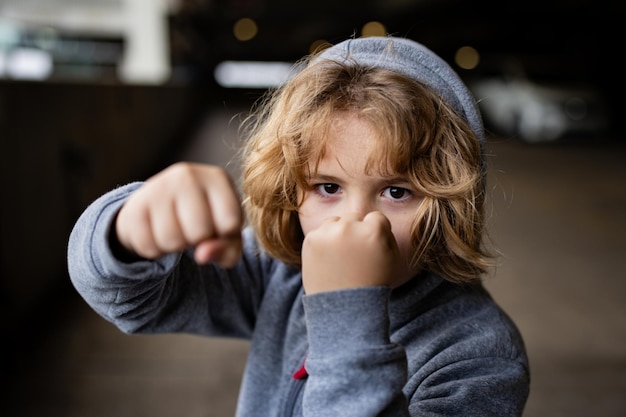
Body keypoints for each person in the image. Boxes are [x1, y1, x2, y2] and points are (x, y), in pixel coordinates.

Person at [68, 36, 529, 416]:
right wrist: (129, 231)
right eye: (328, 187)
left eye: (397, 191)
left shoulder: (479, 356)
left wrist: (347, 316)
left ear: (452, 201)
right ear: (292, 191)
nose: (355, 221)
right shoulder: (278, 274)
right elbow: (136, 303)